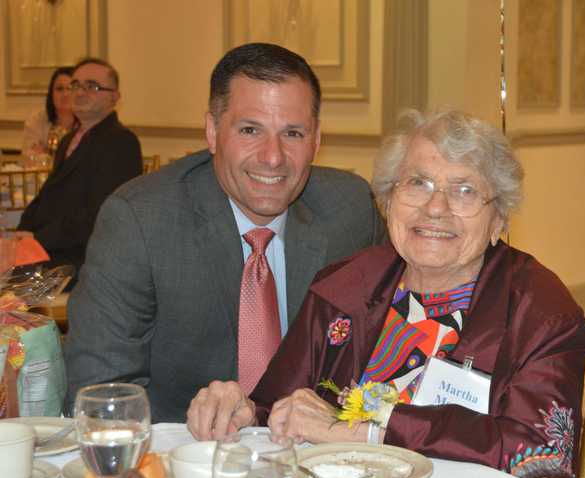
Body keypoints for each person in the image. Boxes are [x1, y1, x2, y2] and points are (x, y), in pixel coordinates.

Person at [187, 110, 585, 478]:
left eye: (465, 190)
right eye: (418, 183)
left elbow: (542, 457)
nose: (436, 208)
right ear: (388, 200)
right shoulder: (344, 286)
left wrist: (369, 429)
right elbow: (278, 405)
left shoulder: (540, 312)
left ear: (498, 220)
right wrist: (242, 412)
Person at [62, 43, 386, 423]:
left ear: (317, 140)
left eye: (293, 134)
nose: (273, 157)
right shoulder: (140, 221)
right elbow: (100, 391)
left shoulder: (349, 210)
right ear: (213, 132)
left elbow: (396, 341)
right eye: (251, 130)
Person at [17, 58, 142, 277]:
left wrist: (37, 239)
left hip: (84, 260)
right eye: (75, 85)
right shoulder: (69, 139)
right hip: (51, 249)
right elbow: (47, 195)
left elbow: (100, 215)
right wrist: (23, 231)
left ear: (115, 97)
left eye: (92, 86)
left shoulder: (121, 141)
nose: (79, 92)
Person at [21, 66, 78, 158]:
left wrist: (45, 153)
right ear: (51, 94)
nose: (65, 94)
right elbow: (30, 157)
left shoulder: (87, 121)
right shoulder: (36, 121)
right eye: (60, 89)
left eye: (70, 88)